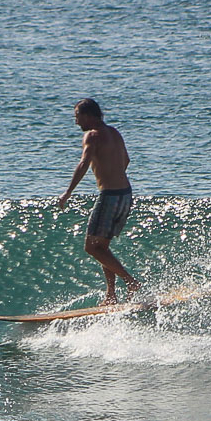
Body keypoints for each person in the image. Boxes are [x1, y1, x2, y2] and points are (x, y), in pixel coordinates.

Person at [56, 98, 140, 304]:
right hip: (125, 193)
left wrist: (67, 192)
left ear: (88, 115)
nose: (76, 122)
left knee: (92, 247)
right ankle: (111, 295)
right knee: (102, 246)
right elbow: (126, 160)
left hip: (110, 196)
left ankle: (131, 282)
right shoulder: (114, 133)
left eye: (77, 116)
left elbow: (84, 163)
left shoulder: (91, 136)